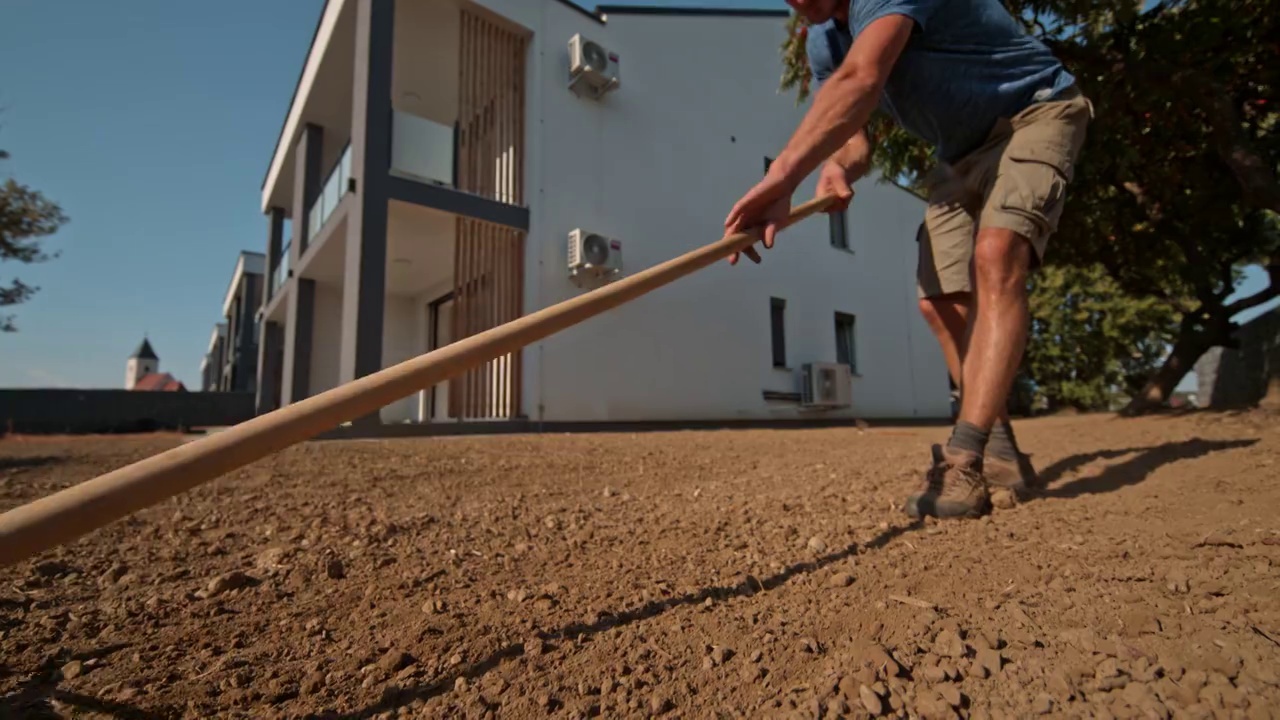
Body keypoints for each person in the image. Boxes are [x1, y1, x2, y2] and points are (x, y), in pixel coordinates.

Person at [724, 0, 1091, 519]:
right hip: (958, 152)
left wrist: (783, 176)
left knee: (996, 254)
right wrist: (838, 170)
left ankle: (965, 456)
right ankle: (1001, 442)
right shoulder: (824, 41)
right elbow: (853, 139)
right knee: (938, 299)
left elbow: (863, 78)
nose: (793, 2)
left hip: (1036, 111)